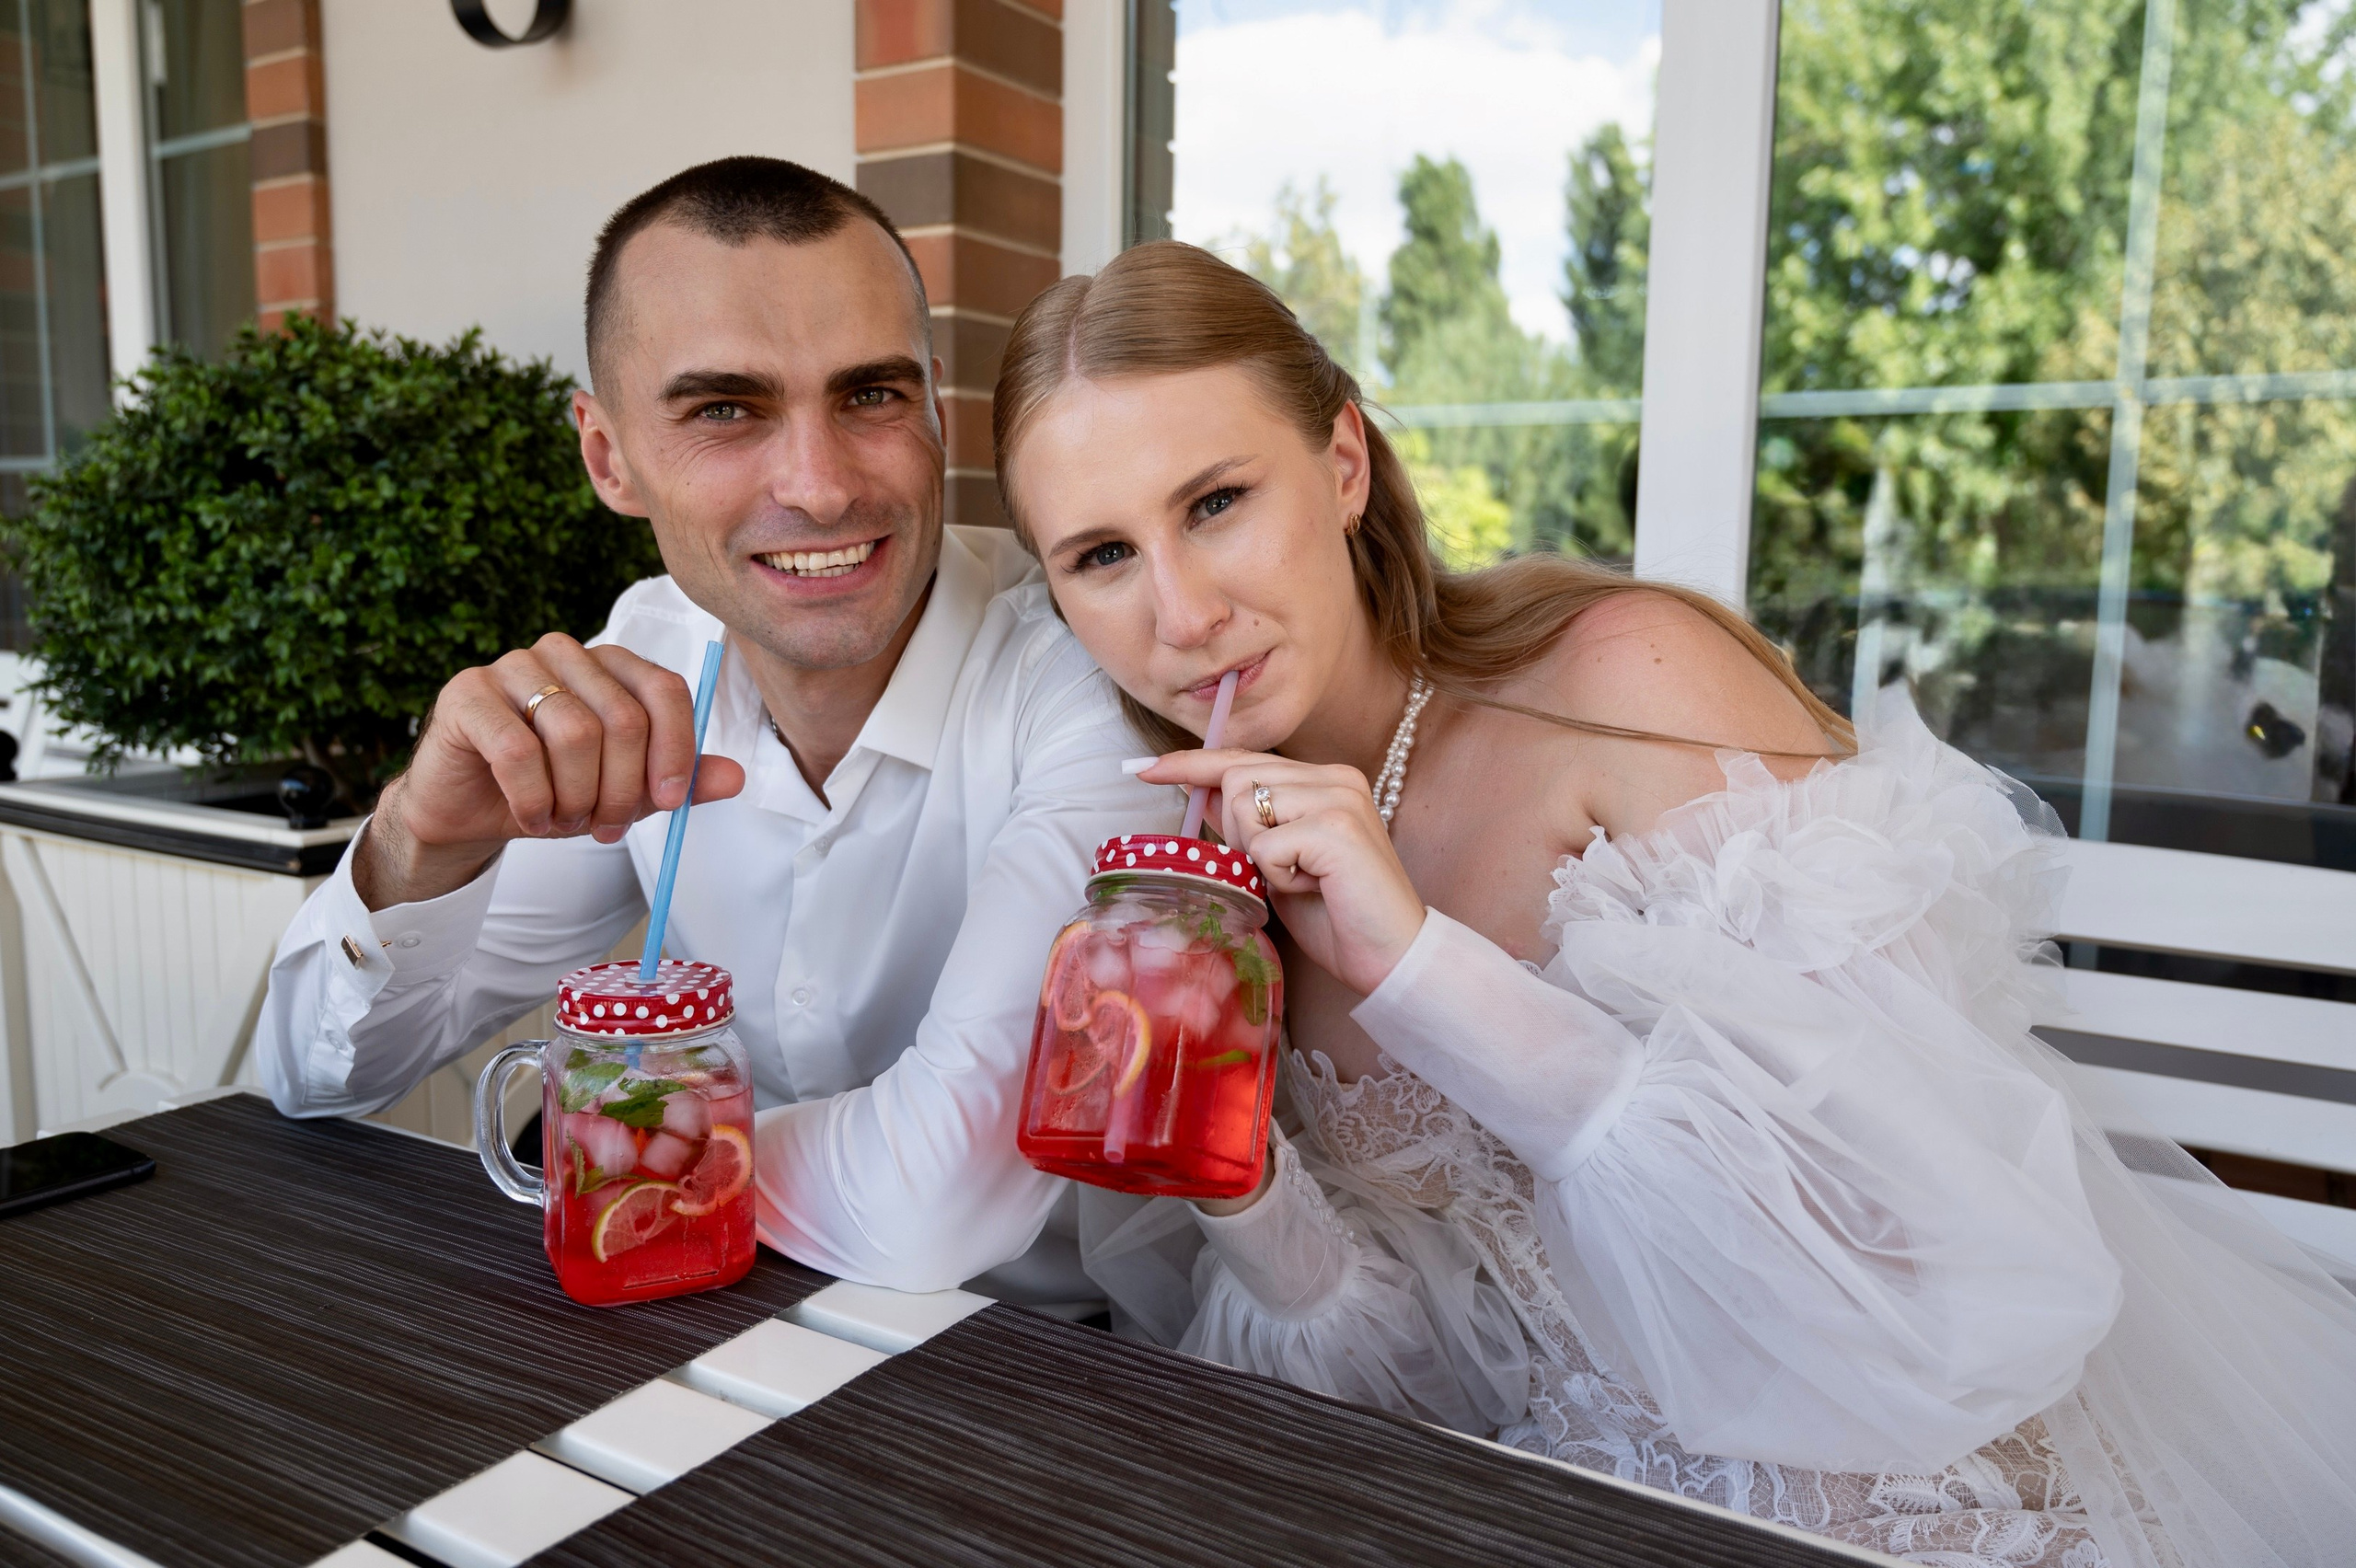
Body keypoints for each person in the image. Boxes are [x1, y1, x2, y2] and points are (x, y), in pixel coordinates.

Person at [989, 239, 2356, 1568]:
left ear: (1343, 464)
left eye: (1216, 503)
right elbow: (1432, 1390)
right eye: (1100, 556)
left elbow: (1898, 1273)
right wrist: (1236, 1182)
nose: (1181, 614)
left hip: (1904, 1483)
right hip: (1561, 1495)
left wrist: (1421, 969)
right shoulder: (1202, 886)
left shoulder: (1622, 684)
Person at [254, 156, 1163, 1311]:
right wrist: (416, 849)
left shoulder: (1084, 678)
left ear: (936, 408)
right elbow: (315, 1079)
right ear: (608, 457)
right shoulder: (650, 651)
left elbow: (935, 1201)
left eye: (871, 395)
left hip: (1047, 1363)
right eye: (724, 410)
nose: (820, 487)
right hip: (713, 1301)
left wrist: (631, 1153)